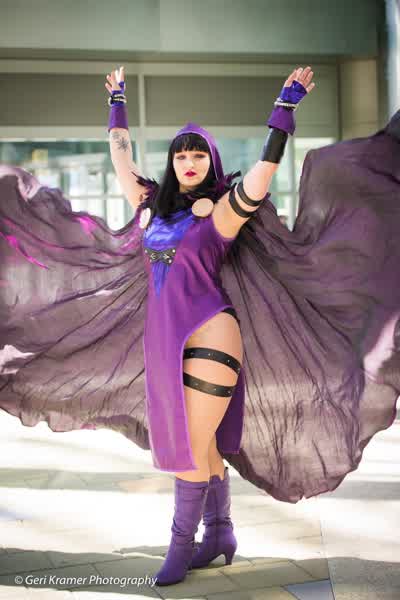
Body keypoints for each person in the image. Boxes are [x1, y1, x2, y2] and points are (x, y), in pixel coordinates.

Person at [0, 66, 399, 587]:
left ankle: (181, 544)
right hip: (165, 339)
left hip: (211, 332)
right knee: (202, 441)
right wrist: (117, 103)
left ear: (211, 162)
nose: (188, 163)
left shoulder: (221, 213)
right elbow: (121, 158)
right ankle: (220, 533)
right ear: (172, 163)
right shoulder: (152, 207)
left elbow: (262, 174)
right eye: (181, 156)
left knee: (187, 442)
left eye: (198, 156)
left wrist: (284, 110)